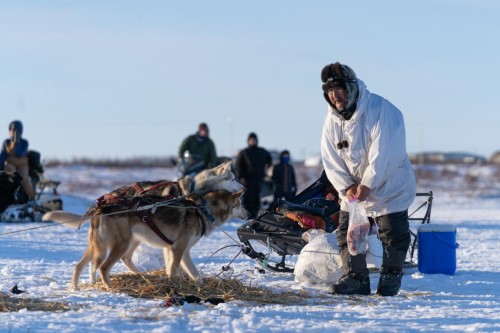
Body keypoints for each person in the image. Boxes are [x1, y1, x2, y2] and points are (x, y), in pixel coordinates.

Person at [320, 62, 416, 296]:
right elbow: (329, 156)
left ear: (351, 88)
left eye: (339, 89)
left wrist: (368, 184)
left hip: (388, 185)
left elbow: (385, 153)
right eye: (330, 91)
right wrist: (347, 186)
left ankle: (390, 277)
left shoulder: (381, 110)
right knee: (347, 233)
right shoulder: (332, 120)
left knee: (392, 233)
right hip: (354, 191)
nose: (335, 96)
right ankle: (356, 278)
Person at [235, 132, 272, 219]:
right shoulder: (244, 152)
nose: (252, 141)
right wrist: (241, 177)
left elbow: (269, 160)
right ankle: (247, 217)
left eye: (254, 140)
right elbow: (238, 166)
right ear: (248, 141)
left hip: (259, 180)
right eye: (251, 140)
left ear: (256, 141)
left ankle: (255, 217)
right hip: (247, 181)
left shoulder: (261, 151)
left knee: (257, 200)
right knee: (248, 200)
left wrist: (268, 169)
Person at [0, 120, 36, 200]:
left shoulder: (24, 142)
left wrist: (16, 142)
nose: (12, 132)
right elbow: (3, 155)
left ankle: (32, 198)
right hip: (10, 164)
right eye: (11, 129)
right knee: (11, 179)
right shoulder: (6, 142)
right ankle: (12, 199)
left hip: (22, 164)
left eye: (15, 129)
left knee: (24, 180)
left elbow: (20, 153)